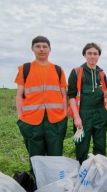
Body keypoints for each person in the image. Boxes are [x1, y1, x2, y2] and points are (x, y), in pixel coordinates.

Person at [15, 36, 68, 172]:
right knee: (36, 158)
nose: (41, 49)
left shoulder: (57, 69)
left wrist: (64, 114)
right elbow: (19, 95)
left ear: (50, 49)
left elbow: (63, 94)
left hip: (55, 120)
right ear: (32, 49)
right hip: (31, 121)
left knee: (55, 158)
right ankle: (37, 187)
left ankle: (55, 187)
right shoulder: (24, 69)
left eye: (45, 46)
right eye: (38, 46)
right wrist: (20, 116)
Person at [68, 42, 107, 164]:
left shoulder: (101, 73)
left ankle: (99, 172)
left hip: (100, 113)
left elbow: (105, 94)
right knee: (81, 146)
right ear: (84, 55)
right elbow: (71, 96)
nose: (92, 56)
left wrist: (106, 112)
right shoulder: (76, 72)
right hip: (83, 114)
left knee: (100, 146)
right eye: (89, 53)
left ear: (98, 56)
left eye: (95, 54)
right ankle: (81, 171)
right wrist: (76, 117)